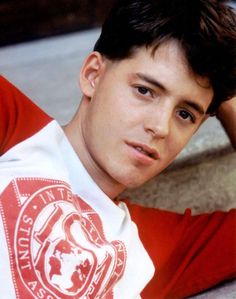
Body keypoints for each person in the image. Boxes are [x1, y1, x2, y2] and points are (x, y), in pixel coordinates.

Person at [0, 0, 235, 298]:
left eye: (185, 114)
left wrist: (224, 85)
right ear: (93, 75)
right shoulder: (16, 131)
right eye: (145, 91)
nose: (161, 128)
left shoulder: (154, 247)